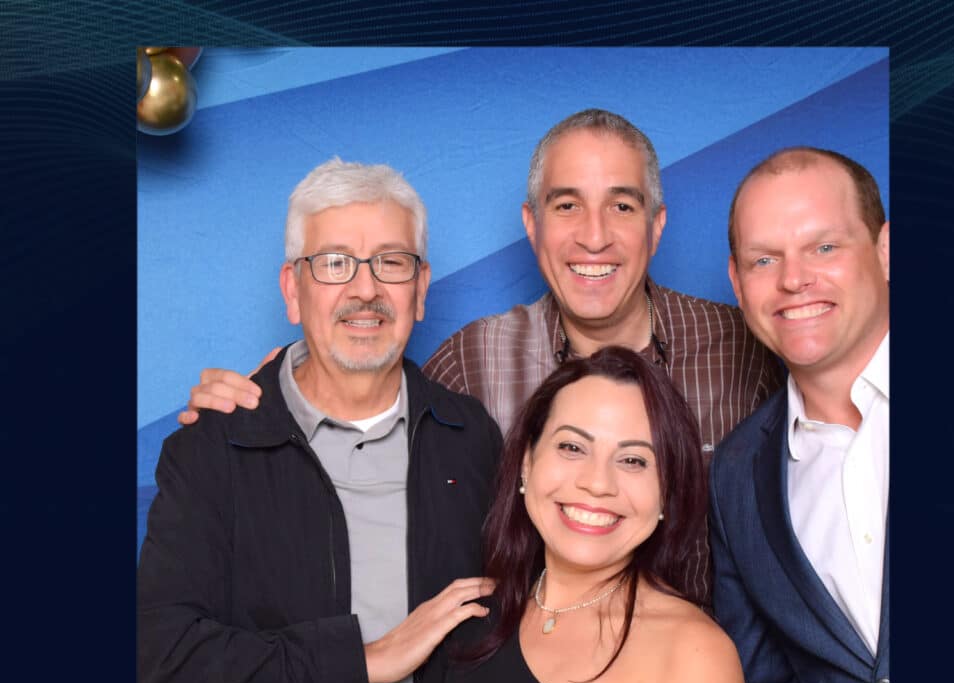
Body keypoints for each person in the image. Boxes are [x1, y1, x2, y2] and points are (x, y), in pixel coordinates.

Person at [176, 110, 783, 610]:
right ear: (532, 224)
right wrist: (278, 388)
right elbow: (364, 412)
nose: (593, 236)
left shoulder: (745, 351)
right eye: (566, 205)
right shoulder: (473, 361)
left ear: (656, 226)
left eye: (622, 206)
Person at [137, 157, 502, 683]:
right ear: (291, 289)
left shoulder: (470, 441)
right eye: (334, 262)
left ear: (420, 291)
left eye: (391, 262)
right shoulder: (212, 451)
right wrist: (361, 664)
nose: (364, 289)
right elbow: (161, 661)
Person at [402, 347, 752, 683]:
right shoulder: (473, 615)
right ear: (527, 463)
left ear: (667, 492)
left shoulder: (694, 655)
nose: (597, 483)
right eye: (571, 447)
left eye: (633, 460)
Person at [708, 147, 890, 683]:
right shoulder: (734, 477)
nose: (792, 280)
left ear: (886, 248)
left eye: (823, 248)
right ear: (736, 280)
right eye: (764, 259)